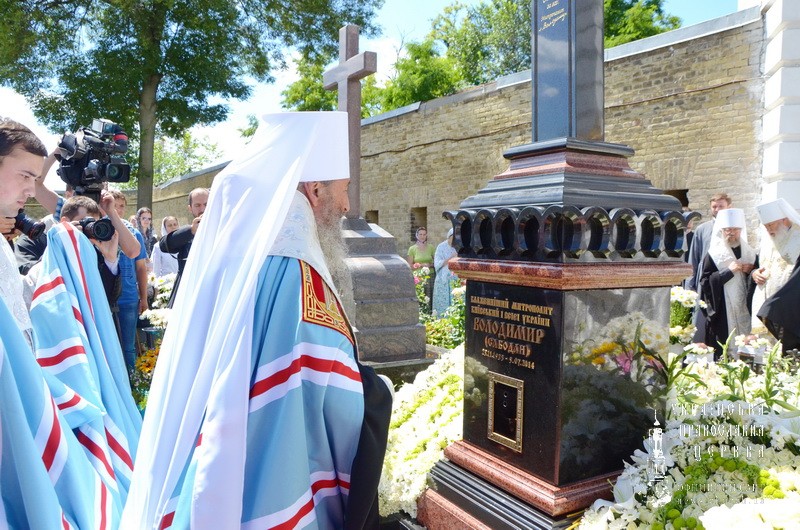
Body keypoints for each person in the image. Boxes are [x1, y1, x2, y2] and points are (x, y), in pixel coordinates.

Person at [122, 111, 392, 530]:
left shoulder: (243, 252)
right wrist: (378, 391)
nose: (346, 206)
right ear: (314, 189)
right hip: (271, 474)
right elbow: (331, 392)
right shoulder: (296, 271)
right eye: (344, 189)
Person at [696, 208, 757, 357]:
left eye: (735, 229)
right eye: (728, 230)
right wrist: (728, 272)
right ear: (721, 231)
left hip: (745, 307)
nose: (731, 233)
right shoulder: (714, 254)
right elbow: (705, 281)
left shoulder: (750, 253)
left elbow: (757, 280)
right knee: (724, 349)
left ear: (741, 230)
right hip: (723, 310)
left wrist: (751, 271)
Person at [109, 189, 148, 370]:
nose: (118, 210)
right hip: (106, 297)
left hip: (128, 298)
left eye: (121, 206)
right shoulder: (99, 230)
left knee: (128, 346)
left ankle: (131, 381)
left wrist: (144, 297)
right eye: (113, 206)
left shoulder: (134, 233)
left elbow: (141, 268)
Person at [750, 198, 800, 333]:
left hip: (789, 306)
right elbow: (759, 266)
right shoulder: (769, 241)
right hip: (766, 306)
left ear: (784, 220)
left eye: (771, 225)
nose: (768, 230)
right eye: (765, 226)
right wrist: (755, 273)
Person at [158, 187, 208, 307]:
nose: (202, 209)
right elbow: (164, 245)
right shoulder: (187, 232)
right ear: (190, 208)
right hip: (187, 292)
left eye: (206, 204)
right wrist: (191, 231)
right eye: (197, 205)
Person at [686, 193, 732, 292]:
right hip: (705, 280)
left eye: (721, 206)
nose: (717, 209)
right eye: (714, 207)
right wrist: (690, 287)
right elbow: (693, 259)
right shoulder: (702, 229)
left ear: (729, 207)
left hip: (729, 278)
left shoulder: (736, 229)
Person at [433, 228, 458, 316]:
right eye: (452, 238)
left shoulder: (459, 247)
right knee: (442, 301)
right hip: (442, 279)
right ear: (449, 237)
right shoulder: (441, 247)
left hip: (455, 278)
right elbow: (437, 263)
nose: (454, 241)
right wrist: (451, 258)